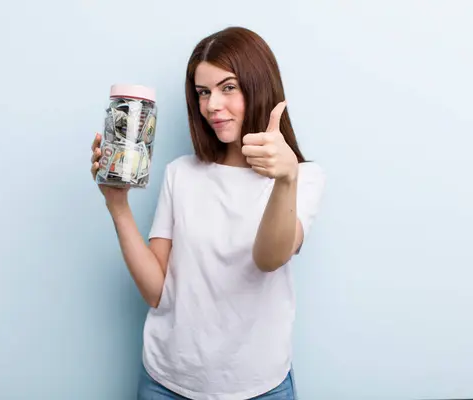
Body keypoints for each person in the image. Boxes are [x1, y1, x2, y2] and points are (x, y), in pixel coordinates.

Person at [90, 26, 325, 400]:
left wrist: (284, 179)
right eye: (203, 92)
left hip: (259, 387)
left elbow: (269, 259)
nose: (212, 105)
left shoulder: (303, 177)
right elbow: (156, 292)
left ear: (259, 85)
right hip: (165, 382)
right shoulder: (180, 173)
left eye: (227, 87)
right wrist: (117, 206)